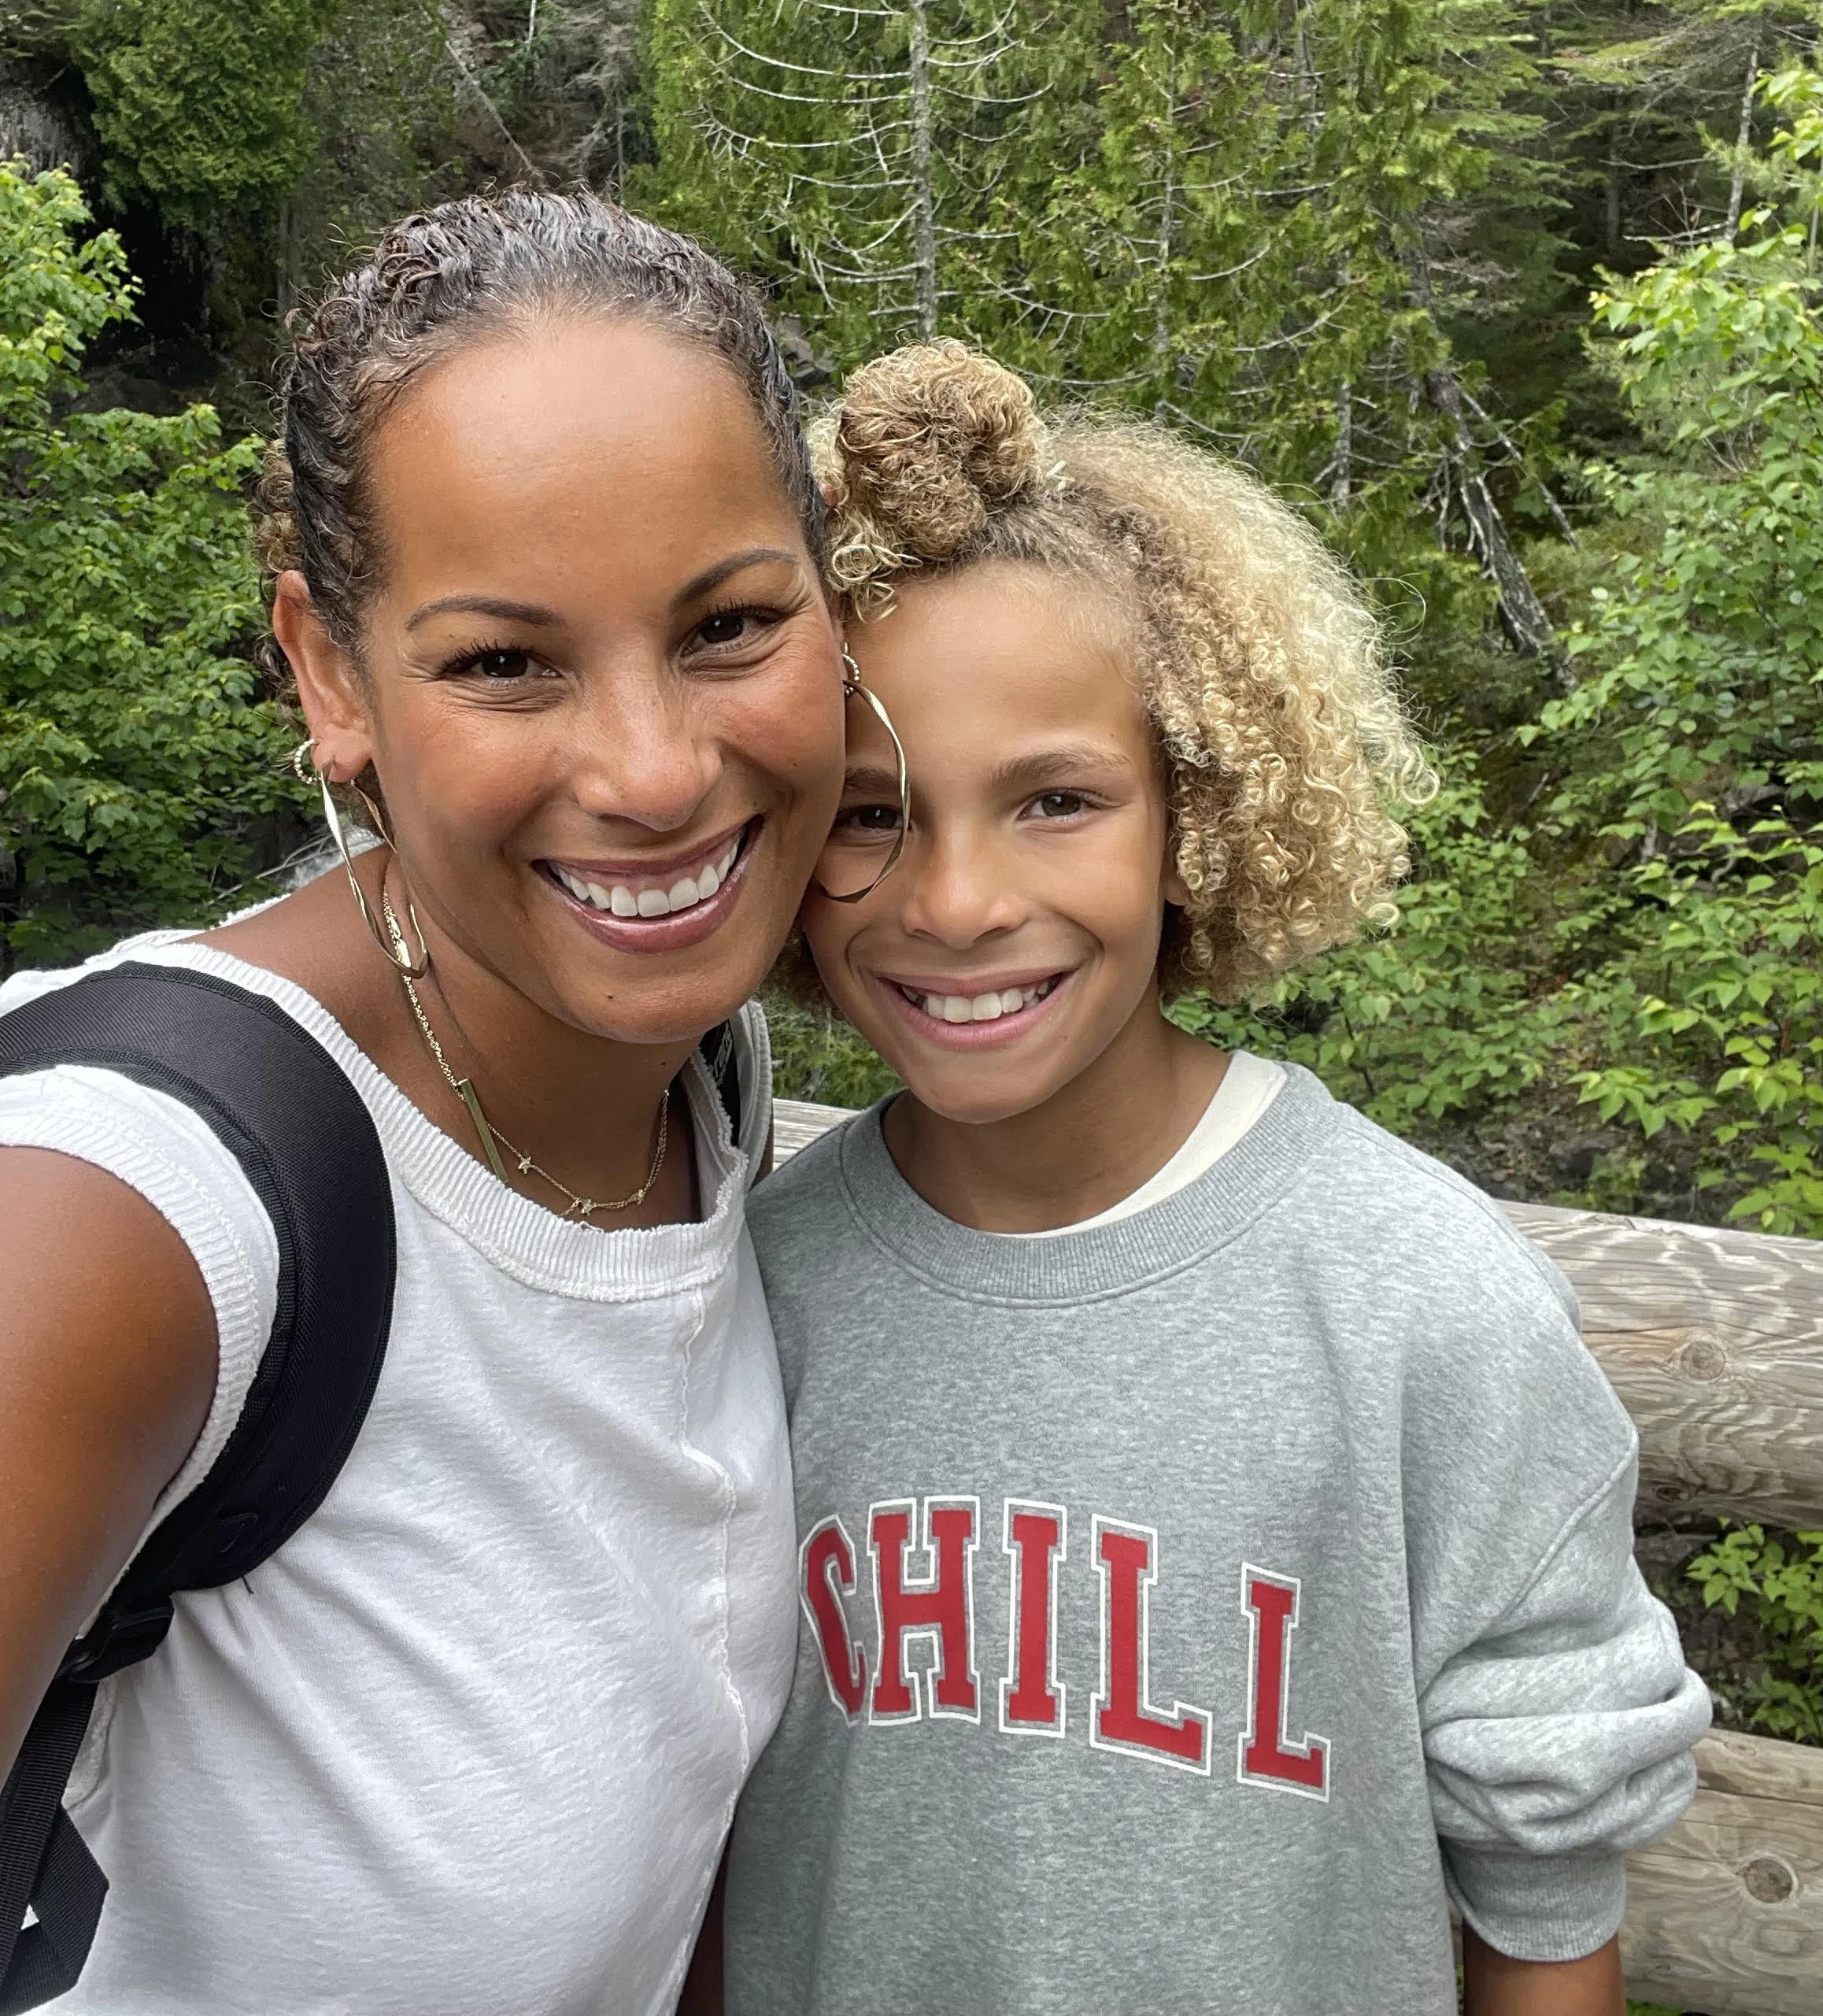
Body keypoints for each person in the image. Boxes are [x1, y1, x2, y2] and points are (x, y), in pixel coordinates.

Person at [724, 342, 1711, 2016]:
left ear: (1205, 811)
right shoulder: (755, 1289)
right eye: (872, 813)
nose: (954, 901)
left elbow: (1546, 1896)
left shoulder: (1420, 1296)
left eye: (1057, 799)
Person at [0, 193, 850, 2015]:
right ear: (327, 671)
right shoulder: (137, 1203)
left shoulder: (699, 1079)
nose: (650, 768)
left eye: (729, 623)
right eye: (503, 660)